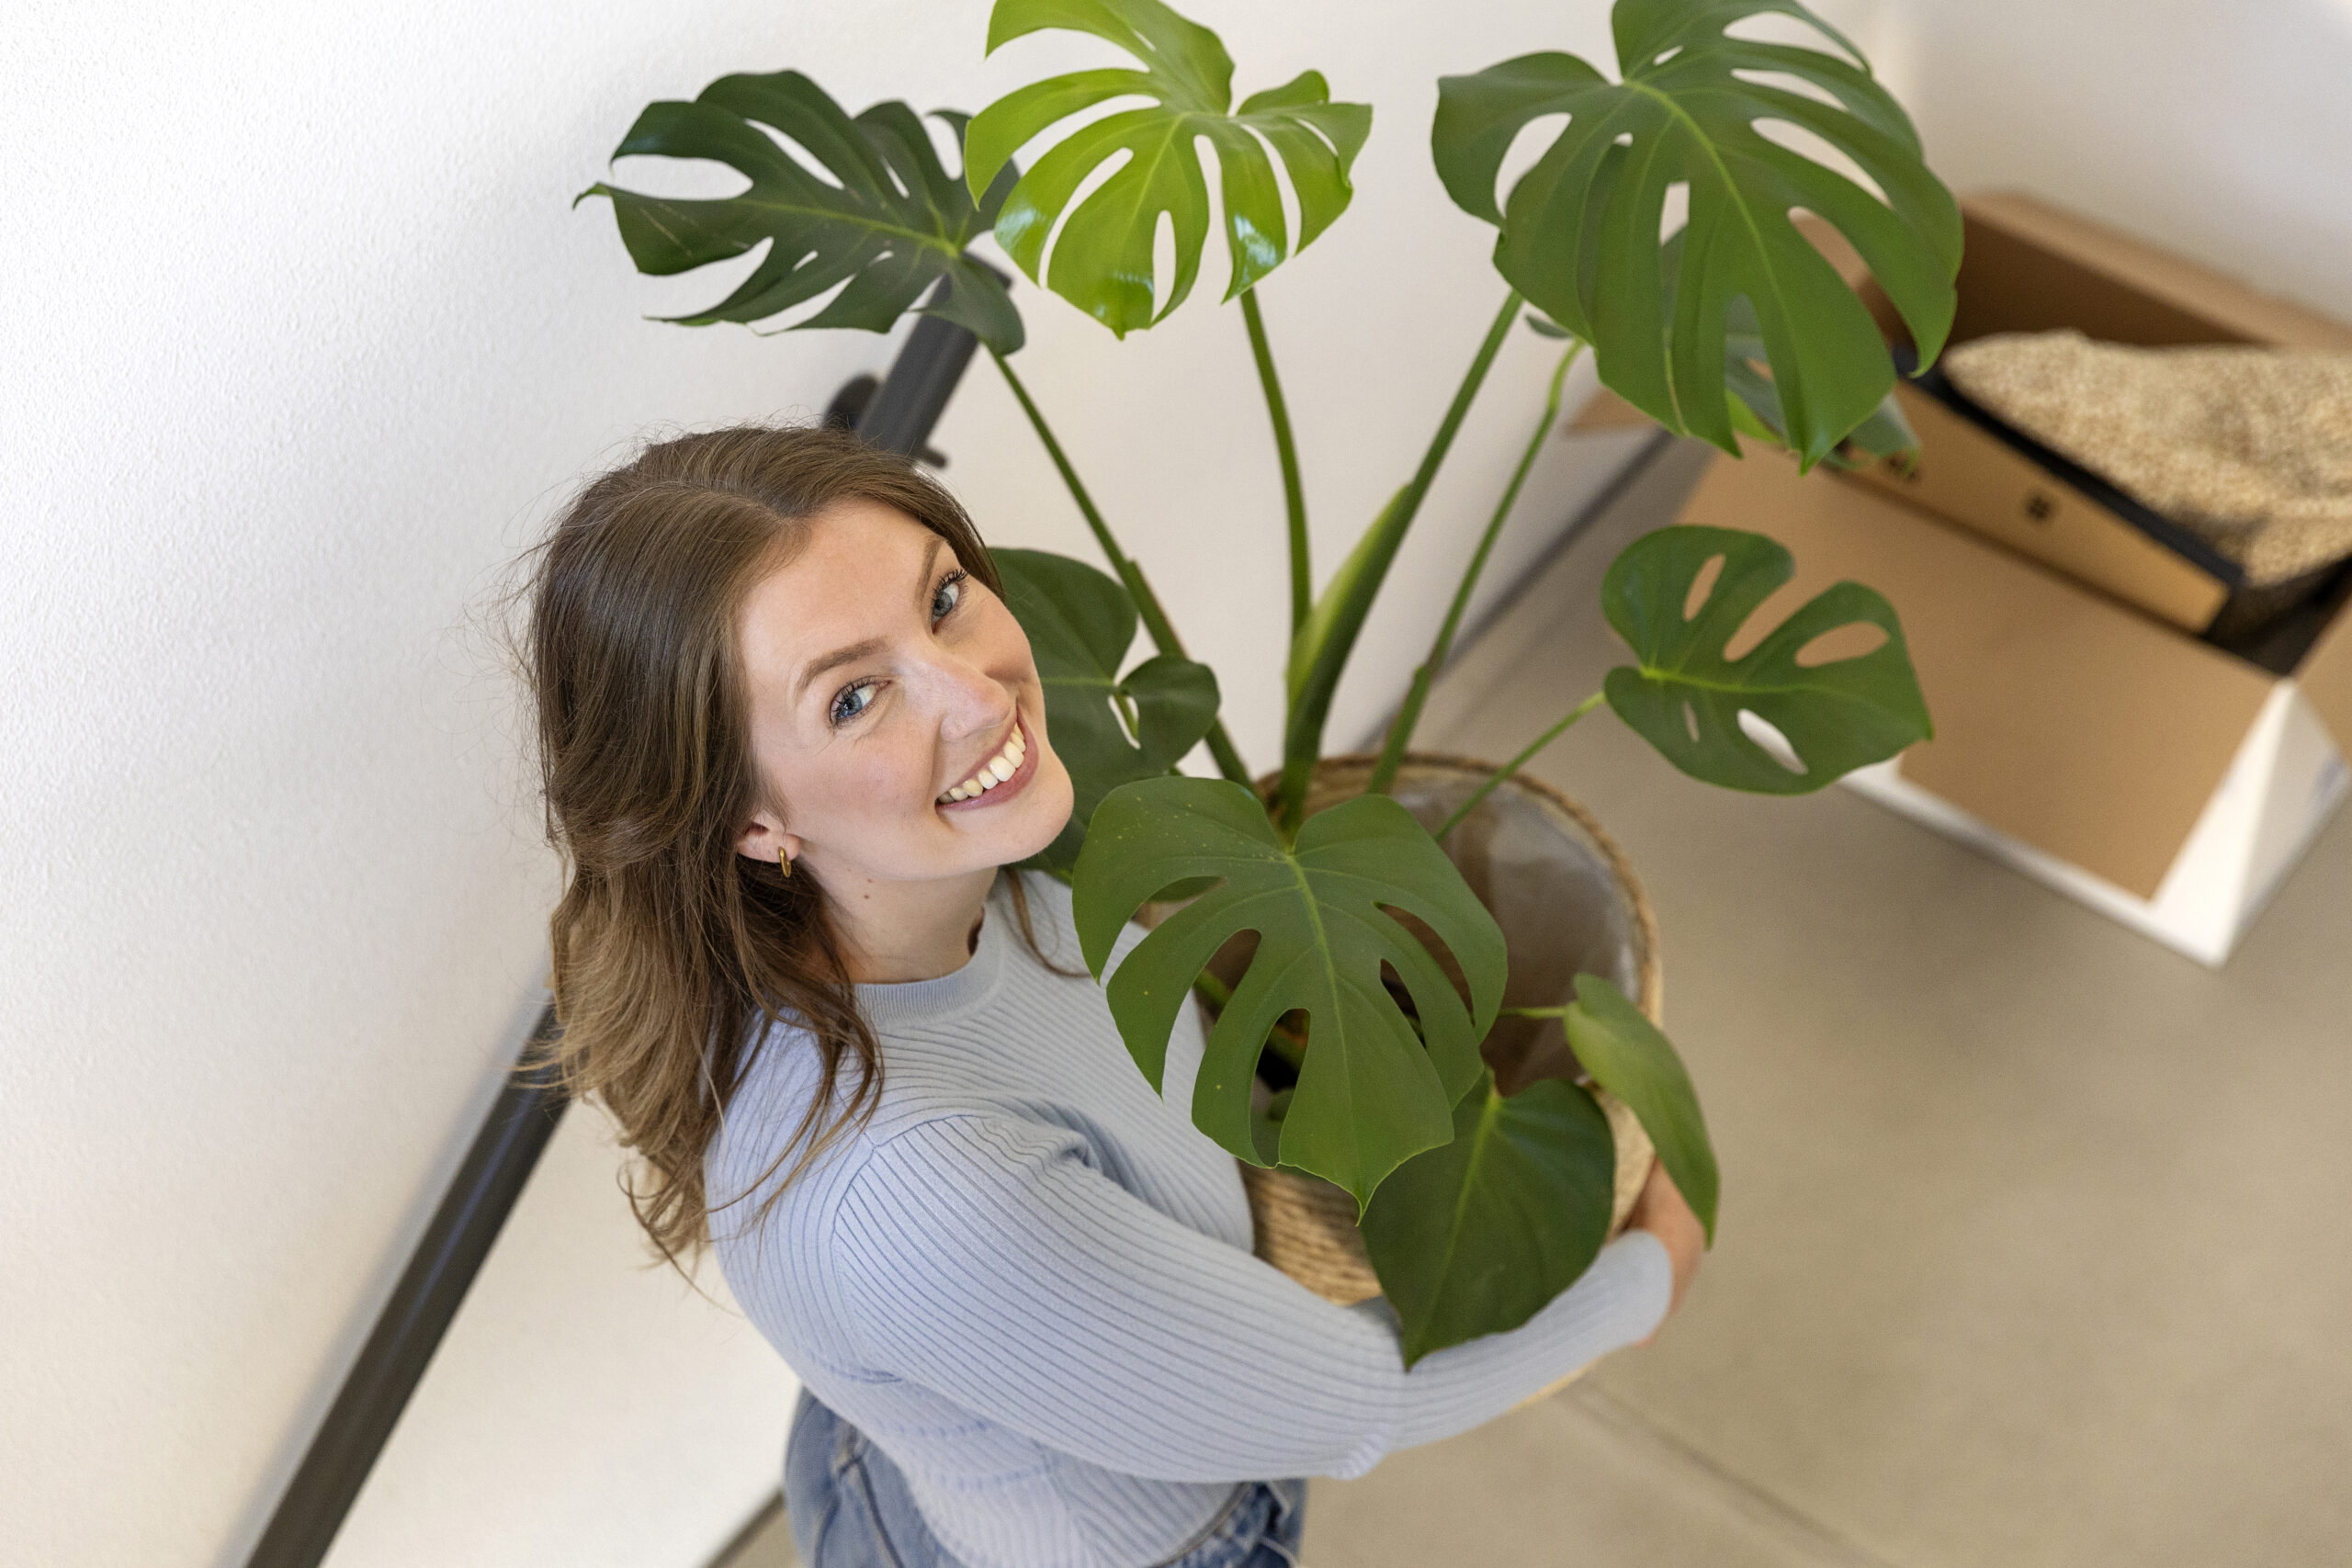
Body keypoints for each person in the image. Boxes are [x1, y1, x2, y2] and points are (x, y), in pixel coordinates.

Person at [518, 424, 1705, 1568]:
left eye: (941, 600)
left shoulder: (961, 882)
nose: (981, 696)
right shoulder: (933, 1194)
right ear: (749, 821)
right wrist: (1645, 1278)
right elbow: (1357, 1402)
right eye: (852, 697)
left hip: (949, 1430)